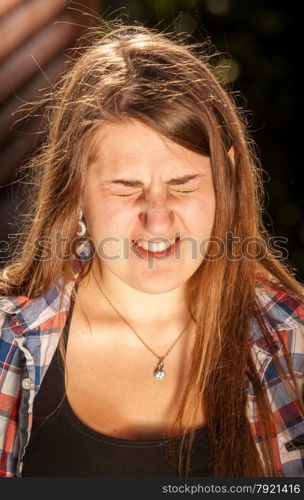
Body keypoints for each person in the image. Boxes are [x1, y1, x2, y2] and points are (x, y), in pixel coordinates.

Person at [0, 21, 303, 479]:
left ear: (227, 176)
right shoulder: (8, 339)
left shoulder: (292, 340)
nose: (157, 219)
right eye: (125, 188)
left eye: (183, 184)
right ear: (77, 188)